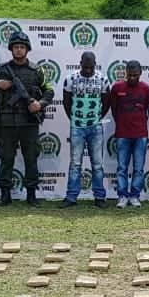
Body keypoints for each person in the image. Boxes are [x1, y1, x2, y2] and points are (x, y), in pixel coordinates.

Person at [0, 31, 53, 207]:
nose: (19, 50)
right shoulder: (2, 70)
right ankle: (5, 194)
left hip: (29, 121)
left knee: (31, 158)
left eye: (22, 47)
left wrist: (40, 104)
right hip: (7, 122)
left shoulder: (36, 70)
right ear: (11, 49)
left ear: (27, 49)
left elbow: (49, 91)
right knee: (6, 157)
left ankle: (31, 194)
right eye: (16, 47)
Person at [59, 51, 110, 209]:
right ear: (80, 64)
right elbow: (66, 102)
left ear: (95, 65)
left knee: (97, 164)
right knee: (75, 164)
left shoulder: (102, 79)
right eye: (85, 67)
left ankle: (99, 196)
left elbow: (106, 102)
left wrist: (96, 118)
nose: (88, 70)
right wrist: (74, 119)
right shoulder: (70, 79)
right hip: (77, 127)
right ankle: (71, 197)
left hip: (95, 127)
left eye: (91, 67)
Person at [110, 59, 149, 208]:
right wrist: (122, 122)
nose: (132, 78)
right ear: (126, 73)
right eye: (130, 75)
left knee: (138, 168)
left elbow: (146, 107)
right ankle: (122, 196)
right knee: (122, 167)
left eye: (135, 75)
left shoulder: (146, 89)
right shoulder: (117, 88)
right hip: (122, 133)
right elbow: (114, 109)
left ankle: (135, 196)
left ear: (140, 73)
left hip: (140, 134)